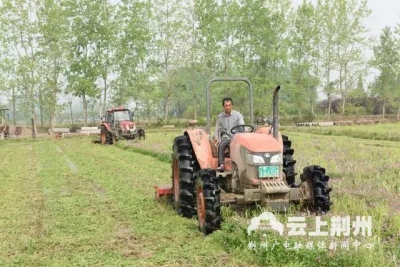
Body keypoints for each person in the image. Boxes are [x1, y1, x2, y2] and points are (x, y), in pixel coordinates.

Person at [214, 97, 244, 170]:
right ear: (223, 106)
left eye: (229, 105)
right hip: (226, 137)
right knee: (221, 145)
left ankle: (240, 165)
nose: (228, 107)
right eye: (226, 105)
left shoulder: (238, 115)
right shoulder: (220, 117)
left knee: (239, 147)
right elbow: (217, 129)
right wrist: (216, 138)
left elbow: (242, 126)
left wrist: (242, 132)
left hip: (236, 137)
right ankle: (221, 164)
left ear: (232, 105)